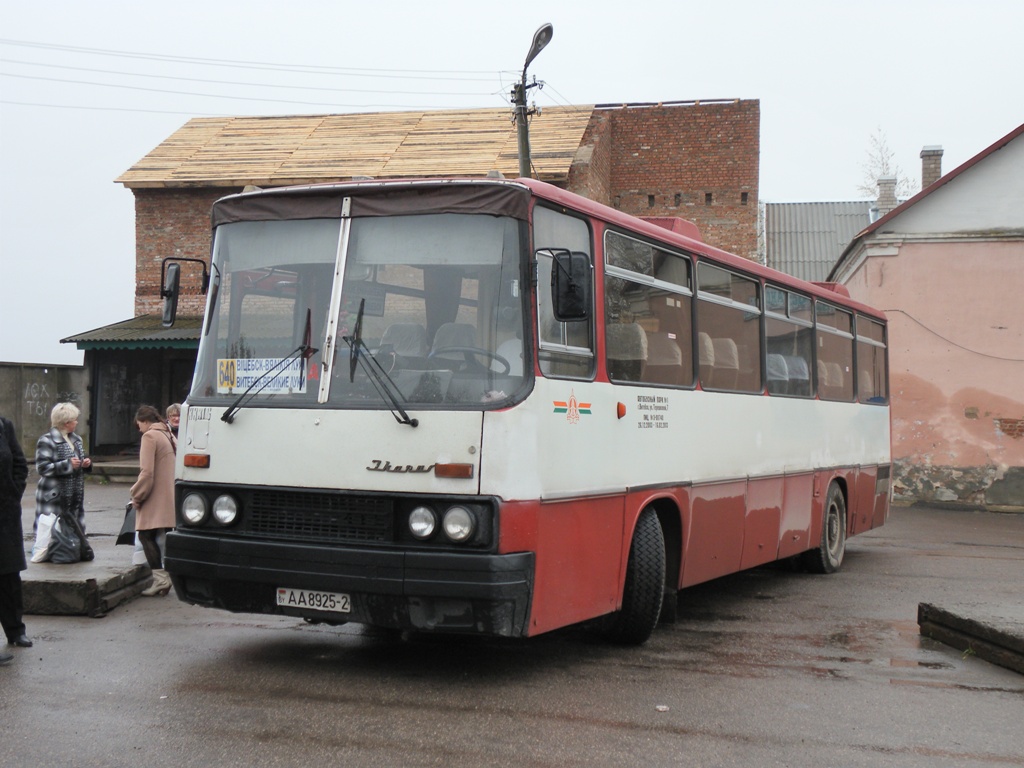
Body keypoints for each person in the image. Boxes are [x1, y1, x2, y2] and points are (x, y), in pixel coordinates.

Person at [34, 402, 93, 563]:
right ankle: (50, 552)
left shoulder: (76, 439)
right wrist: (67, 465)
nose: (77, 422)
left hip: (74, 491)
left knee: (73, 522)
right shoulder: (46, 440)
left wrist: (86, 463)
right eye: (74, 419)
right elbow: (42, 467)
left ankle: (74, 549)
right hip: (53, 493)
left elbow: (79, 461)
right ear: (66, 422)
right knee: (52, 525)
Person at [130, 405, 176, 596]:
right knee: (165, 536)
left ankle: (161, 580)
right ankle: (168, 577)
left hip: (154, 496)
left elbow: (147, 472)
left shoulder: (149, 436)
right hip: (169, 494)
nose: (139, 428)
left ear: (144, 421)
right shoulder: (169, 434)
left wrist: (136, 494)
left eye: (139, 424)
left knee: (145, 535)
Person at [1, 414, 31, 664]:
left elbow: (20, 464)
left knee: (9, 575)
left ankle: (15, 631)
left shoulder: (4, 425)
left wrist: (13, 491)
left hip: (4, 514)